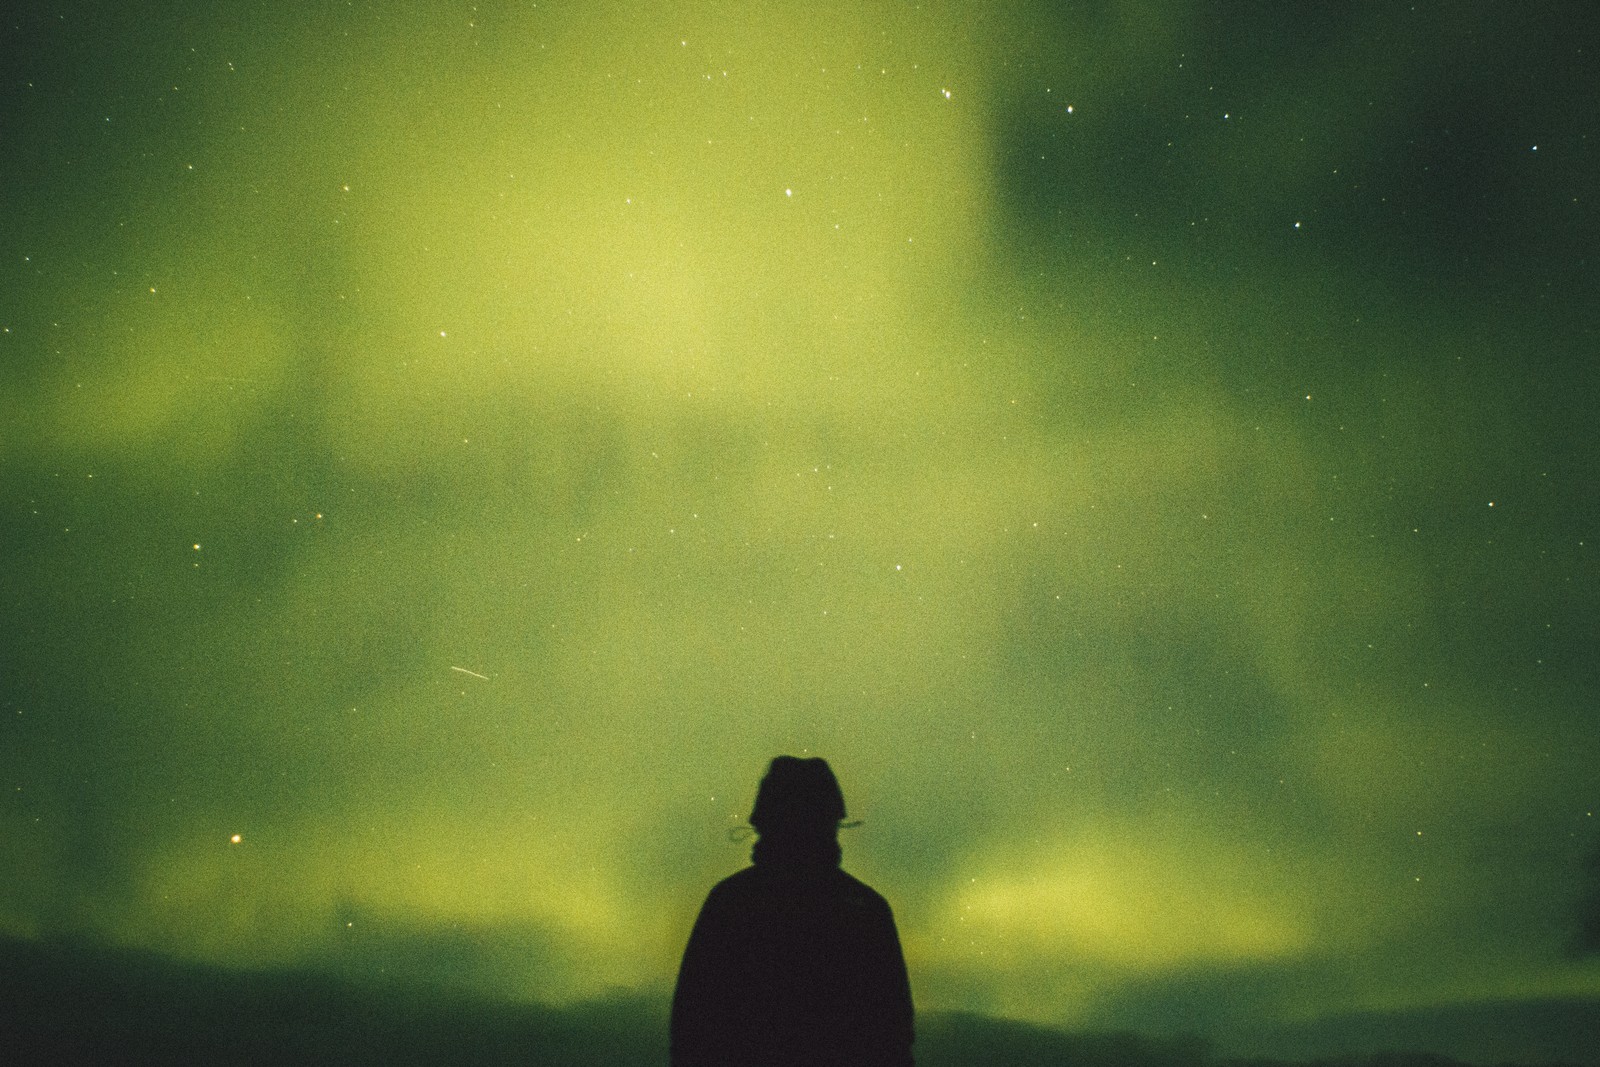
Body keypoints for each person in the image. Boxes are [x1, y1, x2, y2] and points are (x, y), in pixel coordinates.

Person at [670, 757, 915, 1067]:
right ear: (831, 822)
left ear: (763, 823)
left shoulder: (730, 903)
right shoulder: (865, 910)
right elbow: (893, 1036)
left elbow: (692, 1028)